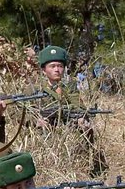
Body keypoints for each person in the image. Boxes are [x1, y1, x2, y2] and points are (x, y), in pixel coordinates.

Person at [37, 45, 107, 176]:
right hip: (44, 134)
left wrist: (82, 117)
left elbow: (78, 106)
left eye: (60, 66)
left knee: (85, 128)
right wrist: (36, 120)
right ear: (43, 70)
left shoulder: (70, 87)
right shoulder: (35, 89)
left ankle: (84, 168)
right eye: (52, 66)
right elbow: (21, 113)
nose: (57, 70)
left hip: (67, 130)